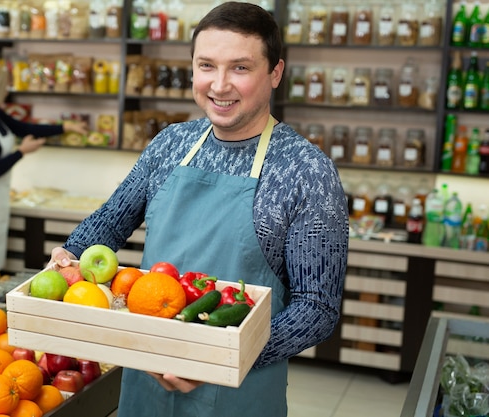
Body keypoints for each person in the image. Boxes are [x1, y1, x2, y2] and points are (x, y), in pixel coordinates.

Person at [48, 2, 348, 416]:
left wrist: (219, 357)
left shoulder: (305, 171)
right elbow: (109, 224)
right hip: (146, 379)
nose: (219, 85)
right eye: (207, 65)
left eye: (240, 68)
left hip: (238, 389)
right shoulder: (170, 144)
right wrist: (71, 255)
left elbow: (317, 309)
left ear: (275, 73)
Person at [0, 61, 88, 273]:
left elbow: (23, 127)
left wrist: (65, 127)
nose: (6, 90)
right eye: (3, 86)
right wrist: (21, 151)